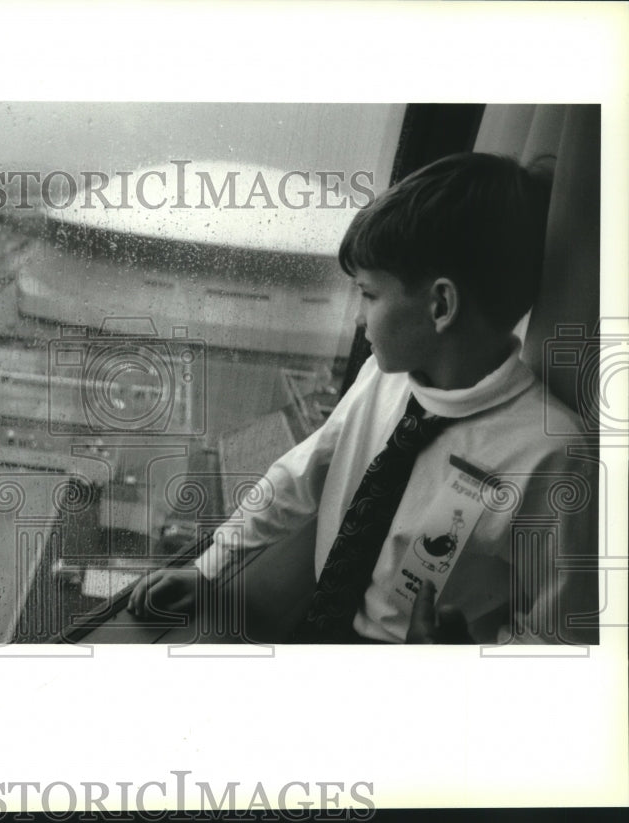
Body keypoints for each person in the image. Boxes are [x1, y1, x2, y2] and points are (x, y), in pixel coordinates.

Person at [126, 152, 597, 644]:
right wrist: (210, 566)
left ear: (440, 305)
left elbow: (557, 637)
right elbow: (299, 475)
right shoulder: (381, 377)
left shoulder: (553, 456)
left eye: (369, 295)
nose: (357, 318)